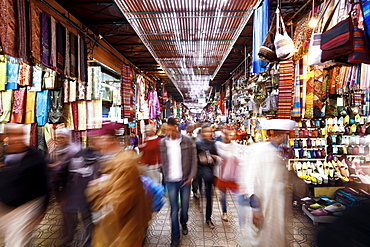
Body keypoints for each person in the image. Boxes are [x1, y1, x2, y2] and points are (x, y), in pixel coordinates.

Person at [85, 122, 151, 247]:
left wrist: (97, 189)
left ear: (108, 139)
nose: (95, 142)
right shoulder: (109, 159)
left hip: (124, 231)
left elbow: (121, 200)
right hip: (116, 230)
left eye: (98, 138)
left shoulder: (124, 162)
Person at [238, 119, 296, 247]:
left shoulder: (278, 153)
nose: (285, 138)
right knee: (260, 238)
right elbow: (250, 179)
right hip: (264, 206)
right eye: (284, 134)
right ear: (276, 134)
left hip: (276, 207)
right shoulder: (259, 151)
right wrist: (256, 208)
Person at [0, 123, 49, 246]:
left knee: (17, 243)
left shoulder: (35, 157)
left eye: (19, 135)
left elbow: (45, 185)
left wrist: (41, 212)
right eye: (12, 135)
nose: (16, 138)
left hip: (26, 208)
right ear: (6, 136)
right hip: (5, 208)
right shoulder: (3, 154)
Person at [55, 134, 101, 247]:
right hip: (87, 199)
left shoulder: (77, 154)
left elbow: (61, 174)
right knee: (88, 226)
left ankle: (69, 241)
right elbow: (62, 174)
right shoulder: (100, 158)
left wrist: (60, 195)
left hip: (74, 198)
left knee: (76, 226)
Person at [159, 117, 197, 247]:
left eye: (171, 129)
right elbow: (163, 162)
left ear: (176, 128)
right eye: (167, 130)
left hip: (185, 180)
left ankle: (184, 222)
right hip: (170, 181)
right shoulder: (163, 143)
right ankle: (175, 238)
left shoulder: (187, 141)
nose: (169, 132)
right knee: (174, 209)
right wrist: (164, 178)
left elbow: (194, 160)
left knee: (184, 208)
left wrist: (191, 177)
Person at [196, 124, 221, 229]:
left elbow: (217, 158)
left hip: (209, 172)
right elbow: (193, 158)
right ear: (201, 133)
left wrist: (214, 158)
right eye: (205, 132)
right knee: (201, 191)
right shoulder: (197, 143)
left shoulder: (213, 144)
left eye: (209, 132)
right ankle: (201, 203)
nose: (207, 134)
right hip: (199, 170)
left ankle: (208, 218)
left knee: (209, 195)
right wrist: (200, 159)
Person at [214, 128, 240, 222]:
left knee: (237, 193)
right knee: (223, 195)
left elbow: (238, 156)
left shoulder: (234, 146)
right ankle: (224, 212)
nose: (227, 137)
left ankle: (240, 213)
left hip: (233, 174)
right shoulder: (217, 145)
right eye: (225, 134)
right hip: (222, 174)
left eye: (229, 134)